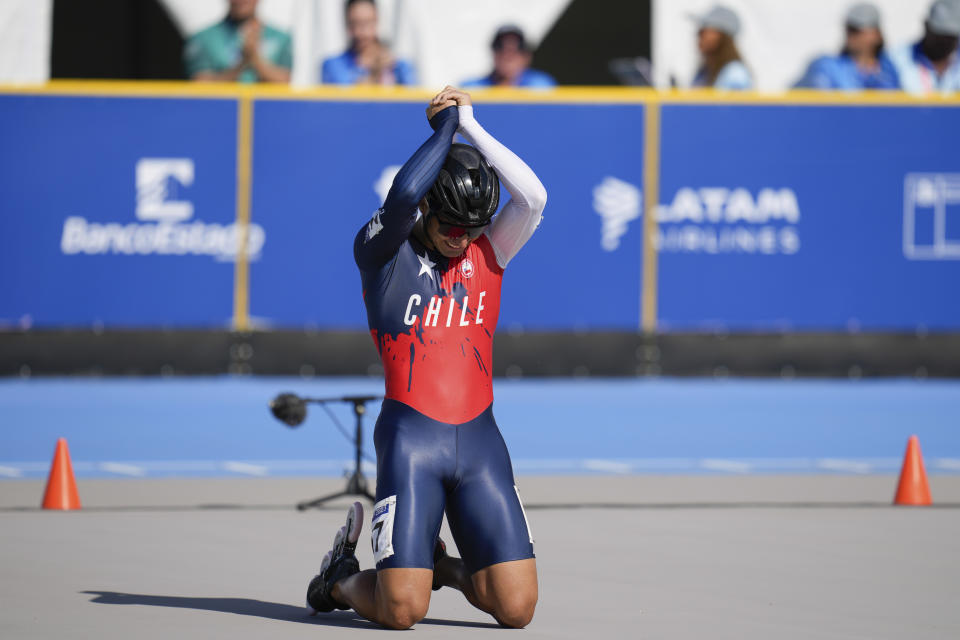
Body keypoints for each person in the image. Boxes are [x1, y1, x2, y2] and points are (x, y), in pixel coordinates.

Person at [305, 86, 547, 629]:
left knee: (516, 609)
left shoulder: (490, 251)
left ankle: (446, 570)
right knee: (402, 611)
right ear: (427, 212)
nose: (463, 240)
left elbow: (532, 199)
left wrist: (470, 125)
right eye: (451, 227)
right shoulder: (384, 256)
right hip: (411, 443)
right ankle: (340, 578)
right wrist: (442, 129)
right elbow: (402, 195)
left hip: (481, 441)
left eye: (473, 228)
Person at [794, 3, 900, 90]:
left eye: (858, 30)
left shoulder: (888, 70)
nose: (851, 35)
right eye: (849, 29)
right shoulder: (827, 67)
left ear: (876, 35)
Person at [184, 0, 292, 83]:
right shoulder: (203, 38)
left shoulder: (281, 38)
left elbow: (285, 82)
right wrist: (242, 63)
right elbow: (199, 87)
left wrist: (255, 59)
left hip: (266, 111)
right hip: (219, 110)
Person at [321, 0, 416, 86]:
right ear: (346, 24)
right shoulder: (334, 66)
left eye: (367, 23)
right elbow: (344, 98)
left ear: (377, 22)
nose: (361, 31)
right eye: (354, 23)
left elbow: (413, 99)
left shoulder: (400, 66)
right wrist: (374, 74)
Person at [888, 0, 960, 95]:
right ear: (926, 26)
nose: (943, 43)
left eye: (949, 37)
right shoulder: (897, 59)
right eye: (938, 35)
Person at [462, 25, 556, 88]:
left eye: (518, 47)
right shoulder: (473, 88)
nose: (507, 54)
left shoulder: (541, 86)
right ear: (493, 52)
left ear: (527, 56)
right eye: (500, 46)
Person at [691, 5, 753, 90]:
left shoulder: (735, 74)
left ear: (721, 36)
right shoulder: (704, 73)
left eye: (703, 31)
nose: (699, 36)